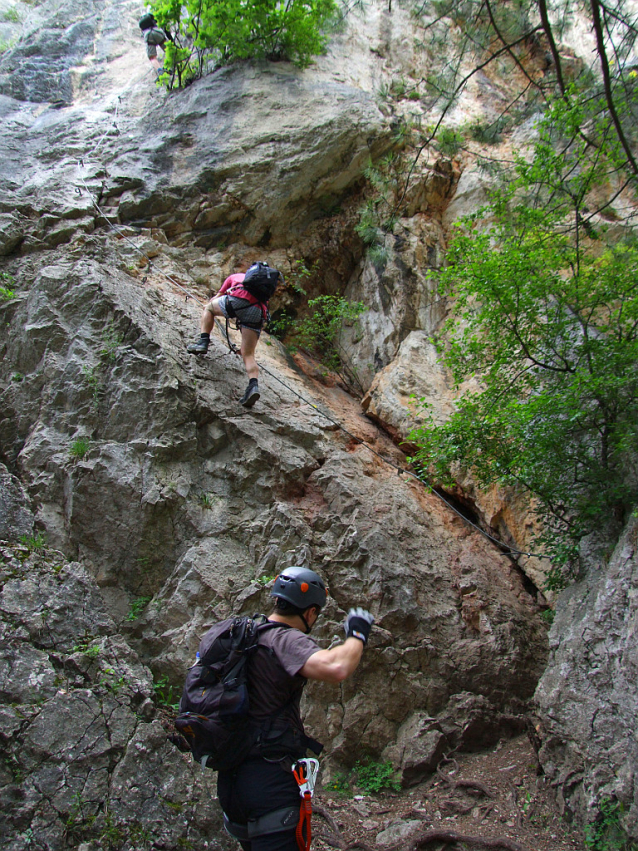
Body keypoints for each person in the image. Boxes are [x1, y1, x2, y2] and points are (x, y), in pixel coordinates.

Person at [216, 566, 375, 851]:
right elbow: (337, 666)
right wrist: (357, 635)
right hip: (269, 784)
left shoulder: (243, 634)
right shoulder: (284, 639)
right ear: (310, 612)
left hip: (231, 781)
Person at [187, 260, 269, 408]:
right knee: (248, 354)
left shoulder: (235, 277)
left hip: (238, 300)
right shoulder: (263, 290)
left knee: (209, 309)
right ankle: (253, 386)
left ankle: (203, 342)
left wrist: (212, 304)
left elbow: (216, 298)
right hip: (257, 311)